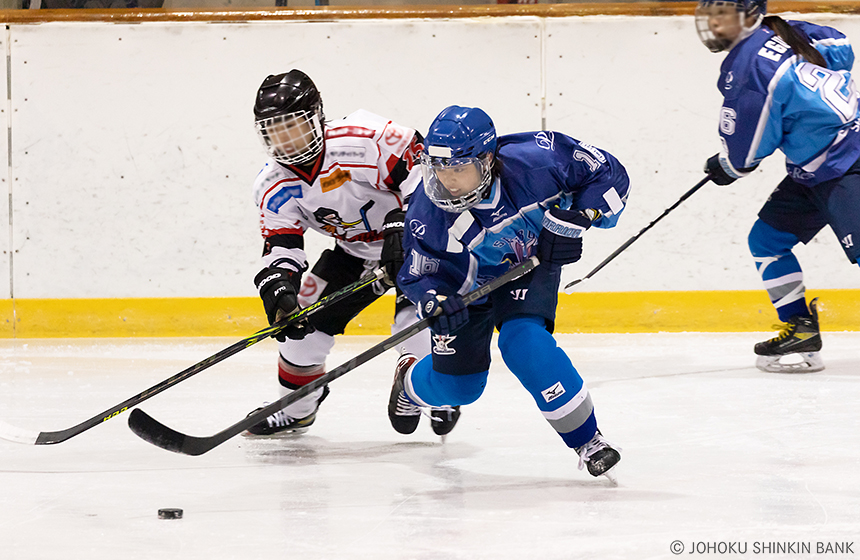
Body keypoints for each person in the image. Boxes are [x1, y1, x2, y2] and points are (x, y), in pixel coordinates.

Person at [387, 105, 629, 479]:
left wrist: (583, 216)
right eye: (439, 169)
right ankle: (409, 382)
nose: (447, 181)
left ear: (487, 159)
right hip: (462, 285)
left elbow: (607, 172)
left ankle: (588, 441)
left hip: (526, 267)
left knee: (524, 342)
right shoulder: (426, 210)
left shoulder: (539, 158)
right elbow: (417, 272)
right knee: (460, 387)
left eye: (458, 169)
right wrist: (434, 299)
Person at [245, 70, 458, 437]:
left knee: (414, 325)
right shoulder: (272, 186)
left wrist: (400, 227)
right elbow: (282, 245)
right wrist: (280, 286)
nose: (285, 139)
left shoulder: (366, 139)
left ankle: (431, 389)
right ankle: (297, 410)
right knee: (303, 335)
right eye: (273, 130)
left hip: (418, 242)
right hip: (353, 252)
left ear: (316, 117)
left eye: (292, 126)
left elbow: (429, 180)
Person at [696, 0, 860, 373]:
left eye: (723, 14)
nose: (712, 22)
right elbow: (840, 45)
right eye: (710, 13)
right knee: (767, 240)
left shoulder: (749, 66)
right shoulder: (782, 31)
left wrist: (727, 167)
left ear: (749, 15)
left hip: (849, 161)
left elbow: (748, 149)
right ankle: (801, 328)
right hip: (818, 167)